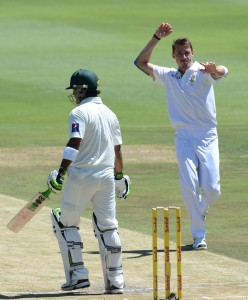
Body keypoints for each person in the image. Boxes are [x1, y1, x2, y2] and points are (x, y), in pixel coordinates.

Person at [134, 23, 228, 250]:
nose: (183, 57)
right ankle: (199, 235)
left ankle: (200, 213)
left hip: (207, 134)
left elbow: (223, 71)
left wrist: (215, 70)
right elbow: (140, 63)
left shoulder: (203, 71)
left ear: (192, 53)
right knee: (189, 184)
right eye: (179, 54)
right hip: (184, 135)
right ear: (173, 56)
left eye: (187, 53)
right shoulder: (169, 75)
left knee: (213, 190)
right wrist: (156, 37)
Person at [47, 69, 131, 294]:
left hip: (82, 176)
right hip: (106, 177)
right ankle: (115, 281)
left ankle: (78, 276)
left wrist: (61, 172)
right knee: (108, 226)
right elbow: (117, 151)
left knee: (65, 224)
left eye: (75, 88)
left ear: (84, 88)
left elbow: (75, 141)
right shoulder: (110, 114)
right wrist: (119, 177)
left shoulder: (79, 112)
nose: (74, 93)